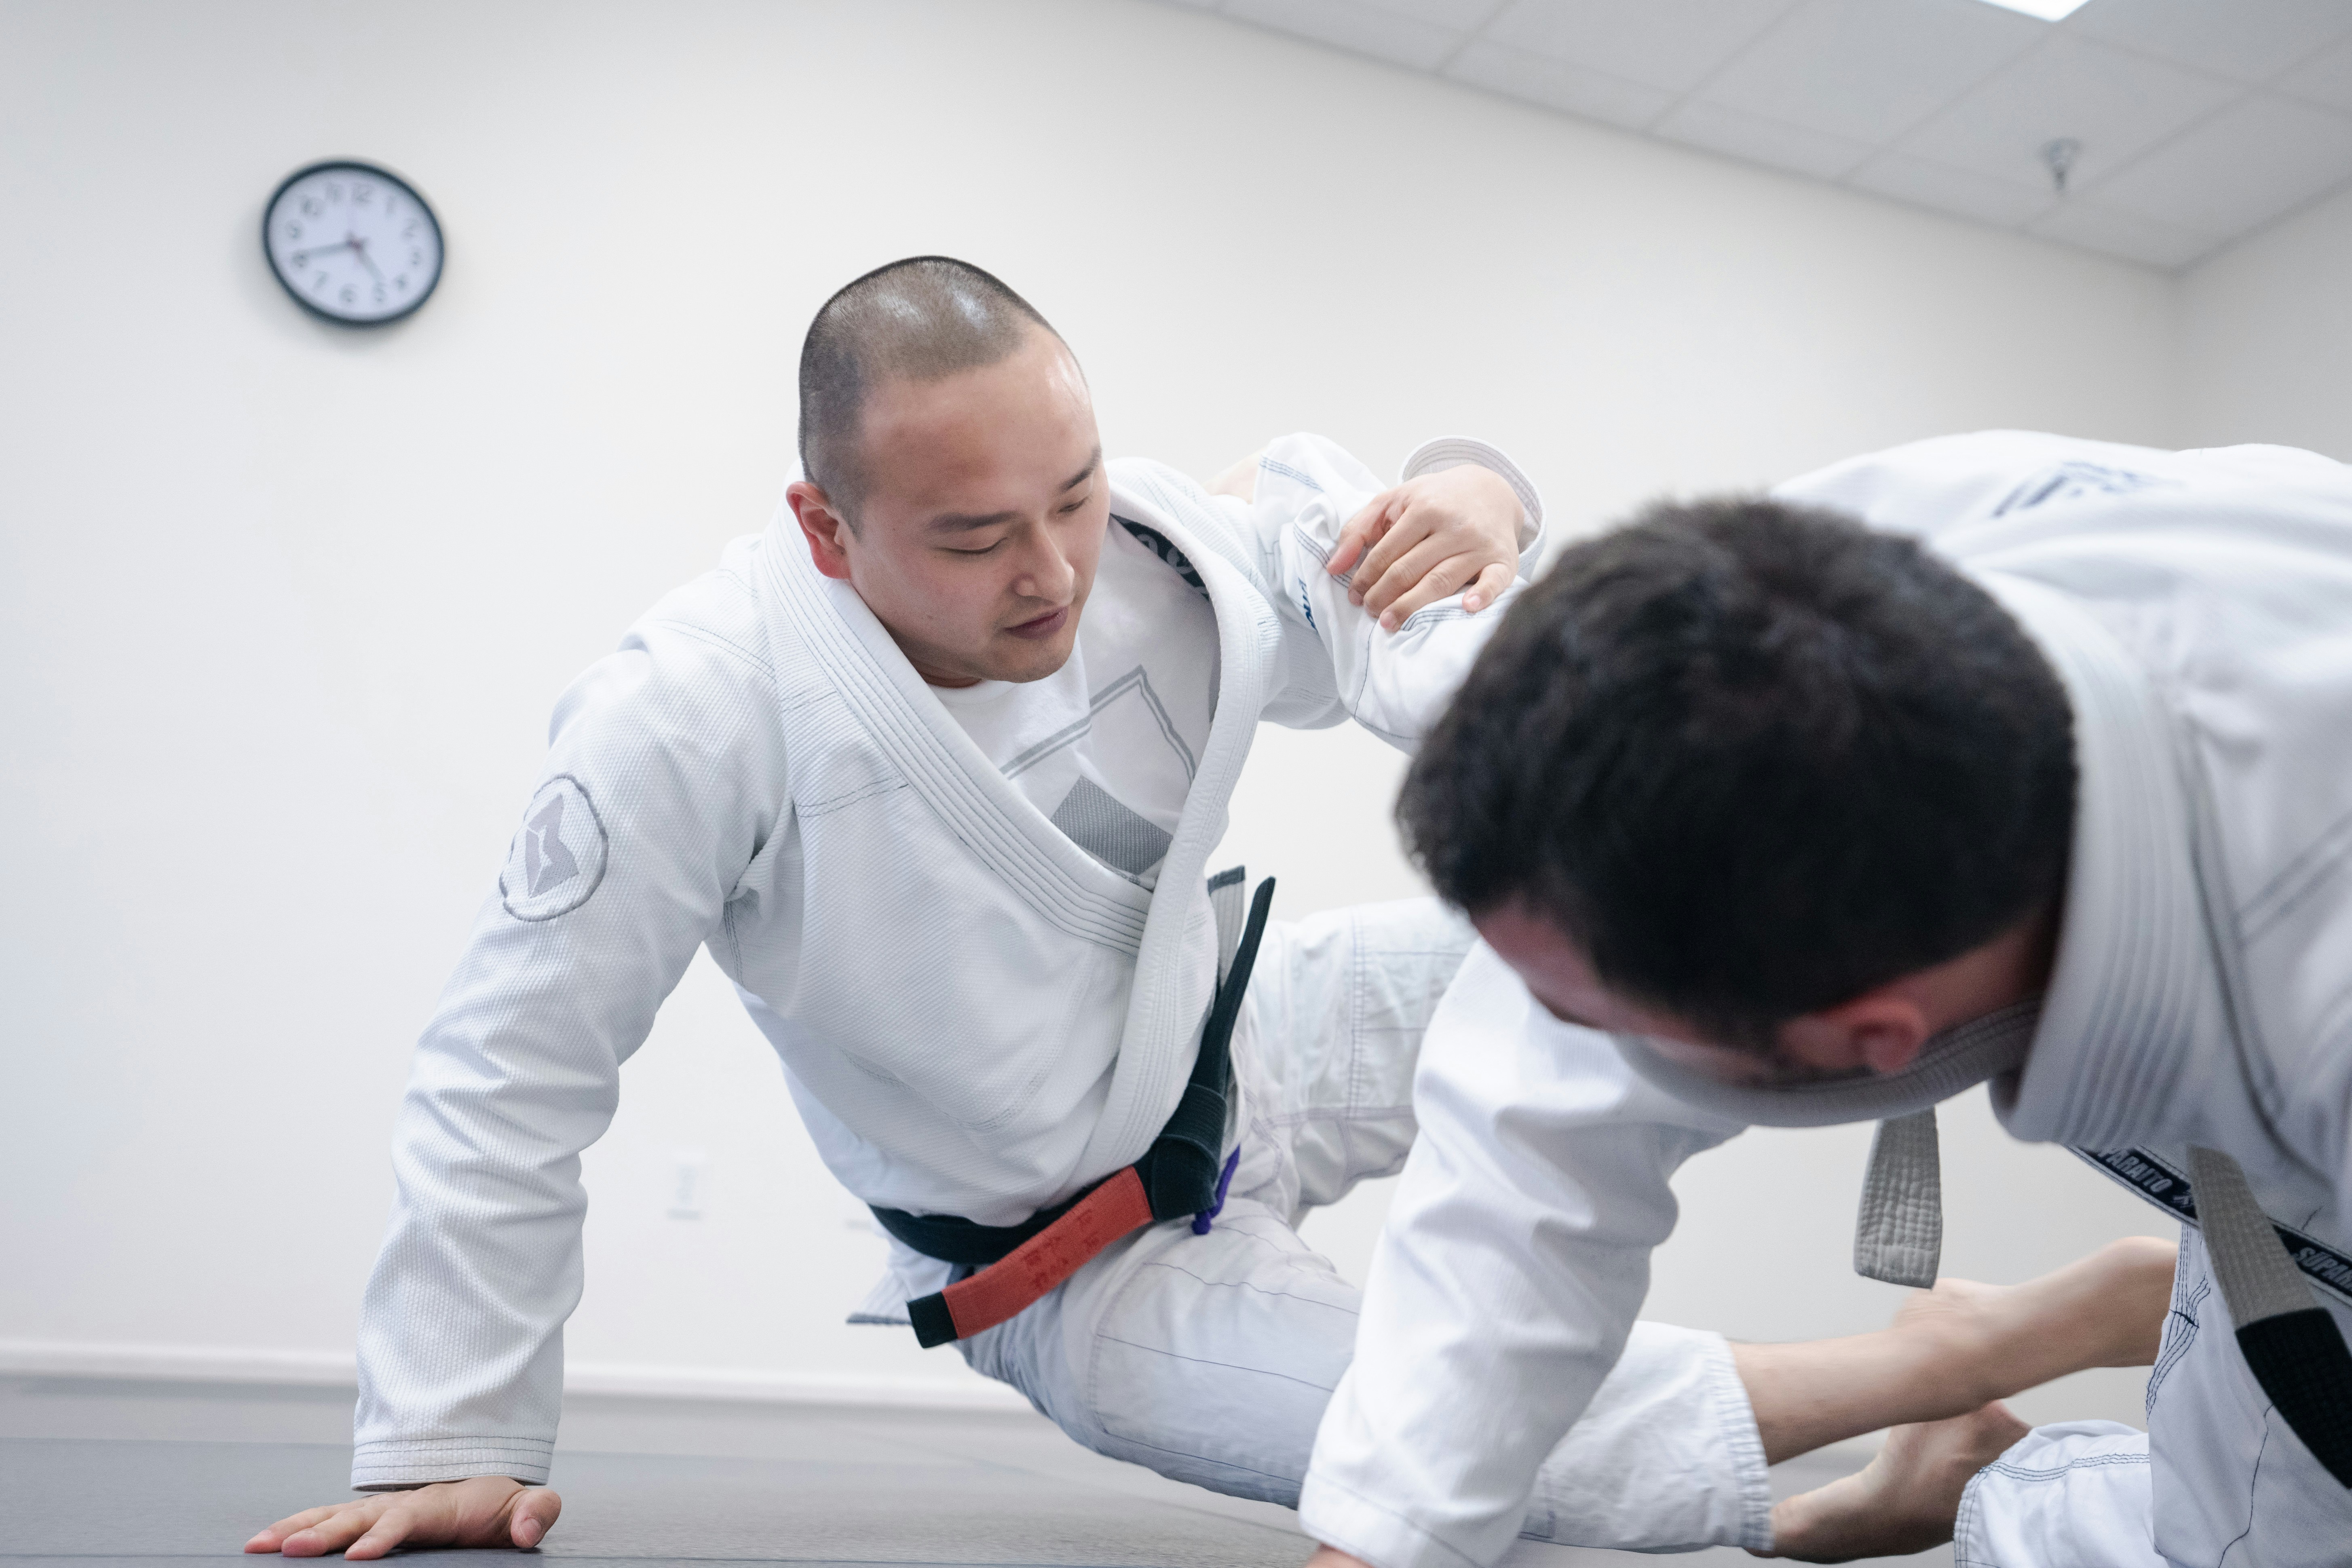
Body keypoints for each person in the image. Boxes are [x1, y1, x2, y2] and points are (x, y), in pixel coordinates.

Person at [245, 264, 2166, 1562]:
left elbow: (1443, 626)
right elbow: (512, 1066)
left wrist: (1481, 502)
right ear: (827, 528)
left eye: (1071, 495)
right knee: (1445, 1432)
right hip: (1059, 1264)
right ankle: (1964, 1369)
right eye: (976, 536)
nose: (1052, 570)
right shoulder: (688, 715)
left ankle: (1973, 1308)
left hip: (1252, 1036)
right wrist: (452, 1430)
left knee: (1649, 933)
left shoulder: (1174, 547)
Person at [1302, 430, 2352, 1568]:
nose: (1552, 1046)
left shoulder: (2314, 994)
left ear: (1876, 1040)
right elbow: (1521, 1158)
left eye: (1595, 1026)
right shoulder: (1775, 626)